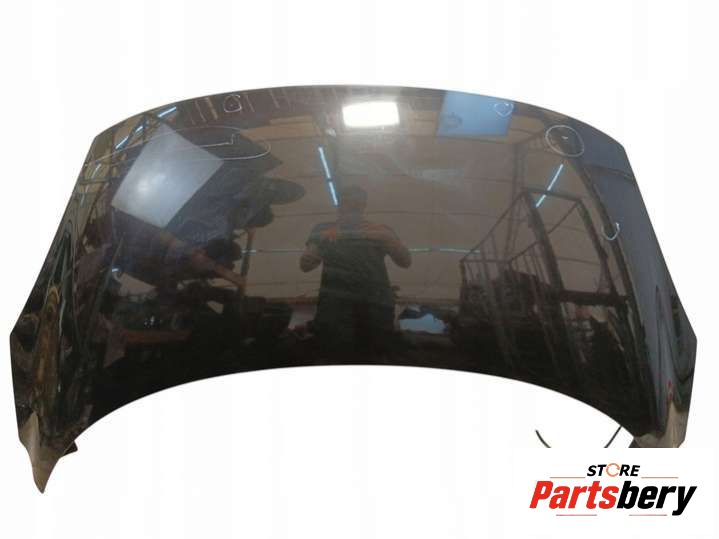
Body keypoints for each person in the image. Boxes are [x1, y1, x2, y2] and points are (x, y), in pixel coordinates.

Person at [299, 185, 411, 354]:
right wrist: (315, 250)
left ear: (363, 206)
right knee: (337, 351)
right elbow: (305, 265)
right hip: (336, 304)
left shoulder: (381, 230)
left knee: (373, 352)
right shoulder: (323, 230)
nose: (350, 207)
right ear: (339, 205)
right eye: (346, 203)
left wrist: (389, 240)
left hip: (374, 304)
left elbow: (405, 262)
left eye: (355, 204)